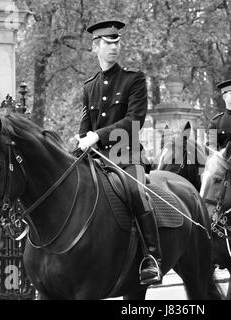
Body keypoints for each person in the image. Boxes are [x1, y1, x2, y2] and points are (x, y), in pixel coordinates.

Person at [76, 20, 162, 285]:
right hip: (96, 160)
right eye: (107, 43)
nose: (114, 47)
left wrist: (97, 136)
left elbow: (135, 121)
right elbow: (84, 128)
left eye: (117, 42)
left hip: (127, 155)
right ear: (95, 47)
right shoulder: (89, 86)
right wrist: (79, 141)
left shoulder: (133, 80)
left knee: (136, 192)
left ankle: (152, 258)